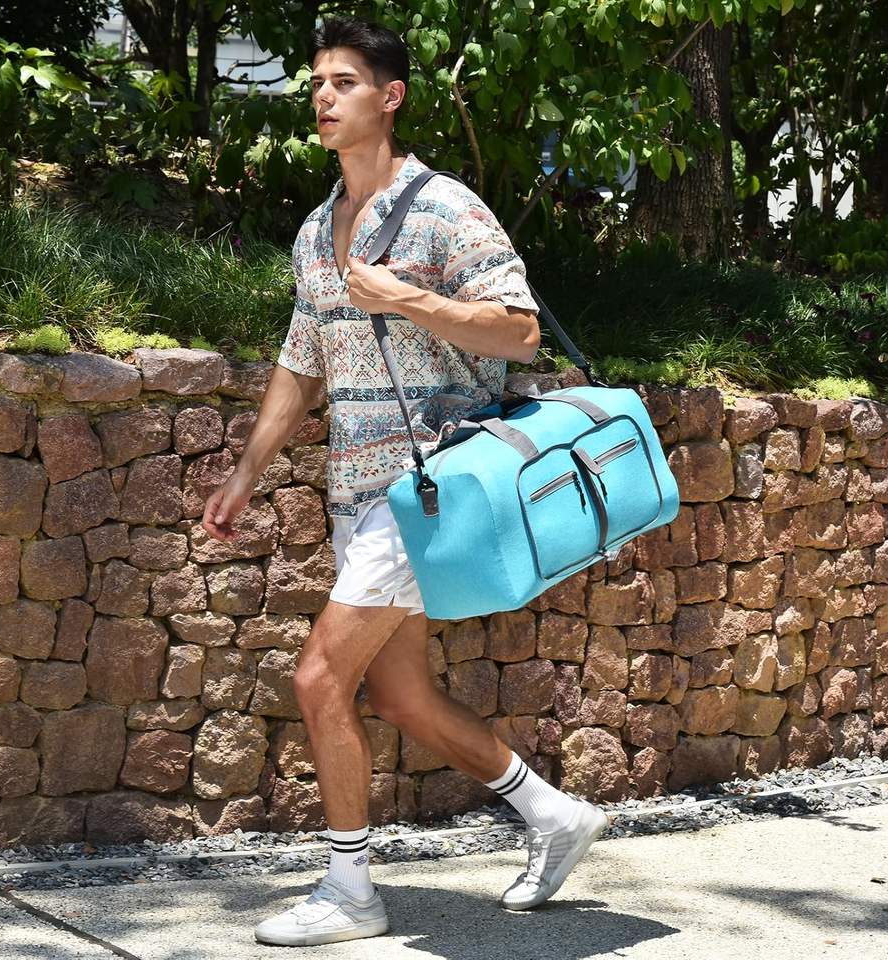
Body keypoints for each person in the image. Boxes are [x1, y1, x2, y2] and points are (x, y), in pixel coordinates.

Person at [201, 14, 609, 948]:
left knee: (318, 678)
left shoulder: (445, 208)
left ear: (390, 98)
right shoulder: (316, 230)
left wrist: (410, 299)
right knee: (402, 699)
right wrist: (247, 472)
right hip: (358, 493)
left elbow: (519, 332)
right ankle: (554, 816)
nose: (323, 97)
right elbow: (302, 360)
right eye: (317, 83)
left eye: (343, 82)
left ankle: (351, 891)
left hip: (429, 491)